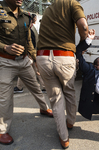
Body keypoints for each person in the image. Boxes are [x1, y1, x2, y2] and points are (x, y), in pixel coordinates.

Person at [36, 0, 88, 149]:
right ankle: (70, 122)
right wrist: (84, 40)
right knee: (69, 91)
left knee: (55, 97)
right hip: (64, 56)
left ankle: (63, 137)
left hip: (43, 57)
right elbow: (83, 26)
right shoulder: (72, 3)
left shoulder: (47, 10)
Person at [0, 0, 53, 145]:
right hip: (5, 62)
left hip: (24, 61)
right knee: (5, 98)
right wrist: (5, 47)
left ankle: (44, 108)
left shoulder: (25, 15)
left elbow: (28, 40)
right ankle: (2, 130)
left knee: (36, 87)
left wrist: (36, 60)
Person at [14, 14, 46, 94]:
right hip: (34, 53)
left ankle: (19, 87)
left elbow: (31, 43)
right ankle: (44, 87)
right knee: (36, 71)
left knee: (25, 69)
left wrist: (31, 55)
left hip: (31, 54)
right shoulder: (32, 28)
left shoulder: (30, 29)